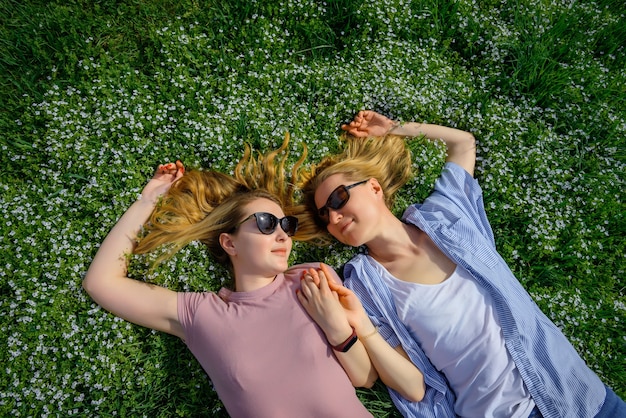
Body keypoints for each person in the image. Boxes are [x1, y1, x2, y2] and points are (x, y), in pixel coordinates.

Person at [298, 110, 626, 418]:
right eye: (325, 215)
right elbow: (412, 386)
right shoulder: (364, 285)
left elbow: (463, 143)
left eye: (338, 199)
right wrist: (363, 329)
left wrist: (394, 129)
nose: (334, 216)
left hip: (578, 398)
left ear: (374, 187)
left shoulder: (447, 216)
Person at [82, 138, 377, 418]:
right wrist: (148, 200)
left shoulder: (311, 280)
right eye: (265, 223)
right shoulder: (202, 315)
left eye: (286, 225)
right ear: (230, 243)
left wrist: (337, 327)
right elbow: (101, 283)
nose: (281, 235)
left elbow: (365, 376)